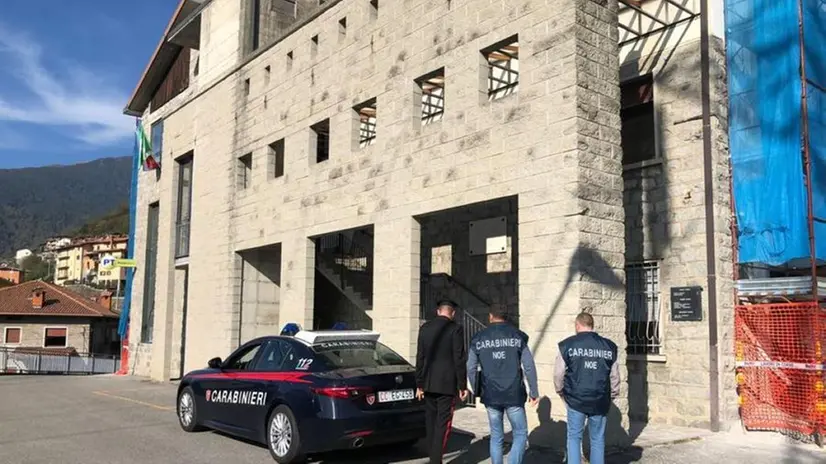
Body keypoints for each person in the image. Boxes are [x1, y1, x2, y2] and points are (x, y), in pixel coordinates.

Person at [467, 305, 539, 464]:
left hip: (490, 393)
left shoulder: (479, 338)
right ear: (506, 317)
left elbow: (470, 367)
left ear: (490, 316)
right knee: (520, 433)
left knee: (496, 435)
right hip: (514, 393)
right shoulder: (518, 336)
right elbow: (529, 366)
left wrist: (477, 389)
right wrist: (534, 392)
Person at [554, 312, 620, 464]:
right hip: (600, 399)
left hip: (576, 399)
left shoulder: (567, 345)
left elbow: (558, 374)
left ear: (577, 325)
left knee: (574, 437)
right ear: (592, 325)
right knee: (597, 439)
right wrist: (612, 395)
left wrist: (561, 392)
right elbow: (615, 376)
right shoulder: (609, 346)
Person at [415, 300, 469, 464]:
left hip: (428, 382)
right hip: (447, 384)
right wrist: (462, 385)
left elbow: (420, 357)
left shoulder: (424, 328)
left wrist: (419, 384)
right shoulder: (455, 329)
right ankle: (435, 460)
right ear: (452, 313)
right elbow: (459, 358)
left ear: (438, 311)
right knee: (443, 425)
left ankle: (433, 456)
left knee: (431, 421)